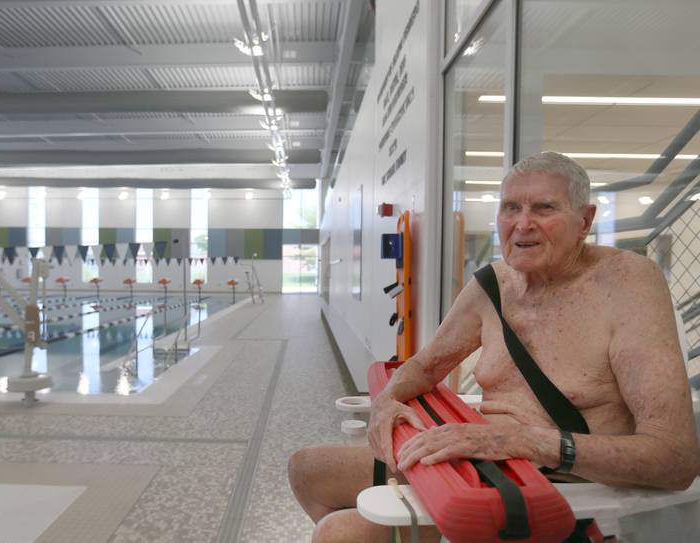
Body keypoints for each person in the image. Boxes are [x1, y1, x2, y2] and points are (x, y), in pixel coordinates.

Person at [289, 151, 700, 543]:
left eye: (544, 208)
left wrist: (524, 441)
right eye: (510, 209)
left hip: (551, 487)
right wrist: (385, 402)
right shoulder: (492, 285)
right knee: (306, 469)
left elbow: (675, 459)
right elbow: (426, 365)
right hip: (475, 464)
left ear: (585, 220)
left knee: (339, 534)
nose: (523, 224)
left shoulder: (627, 286)